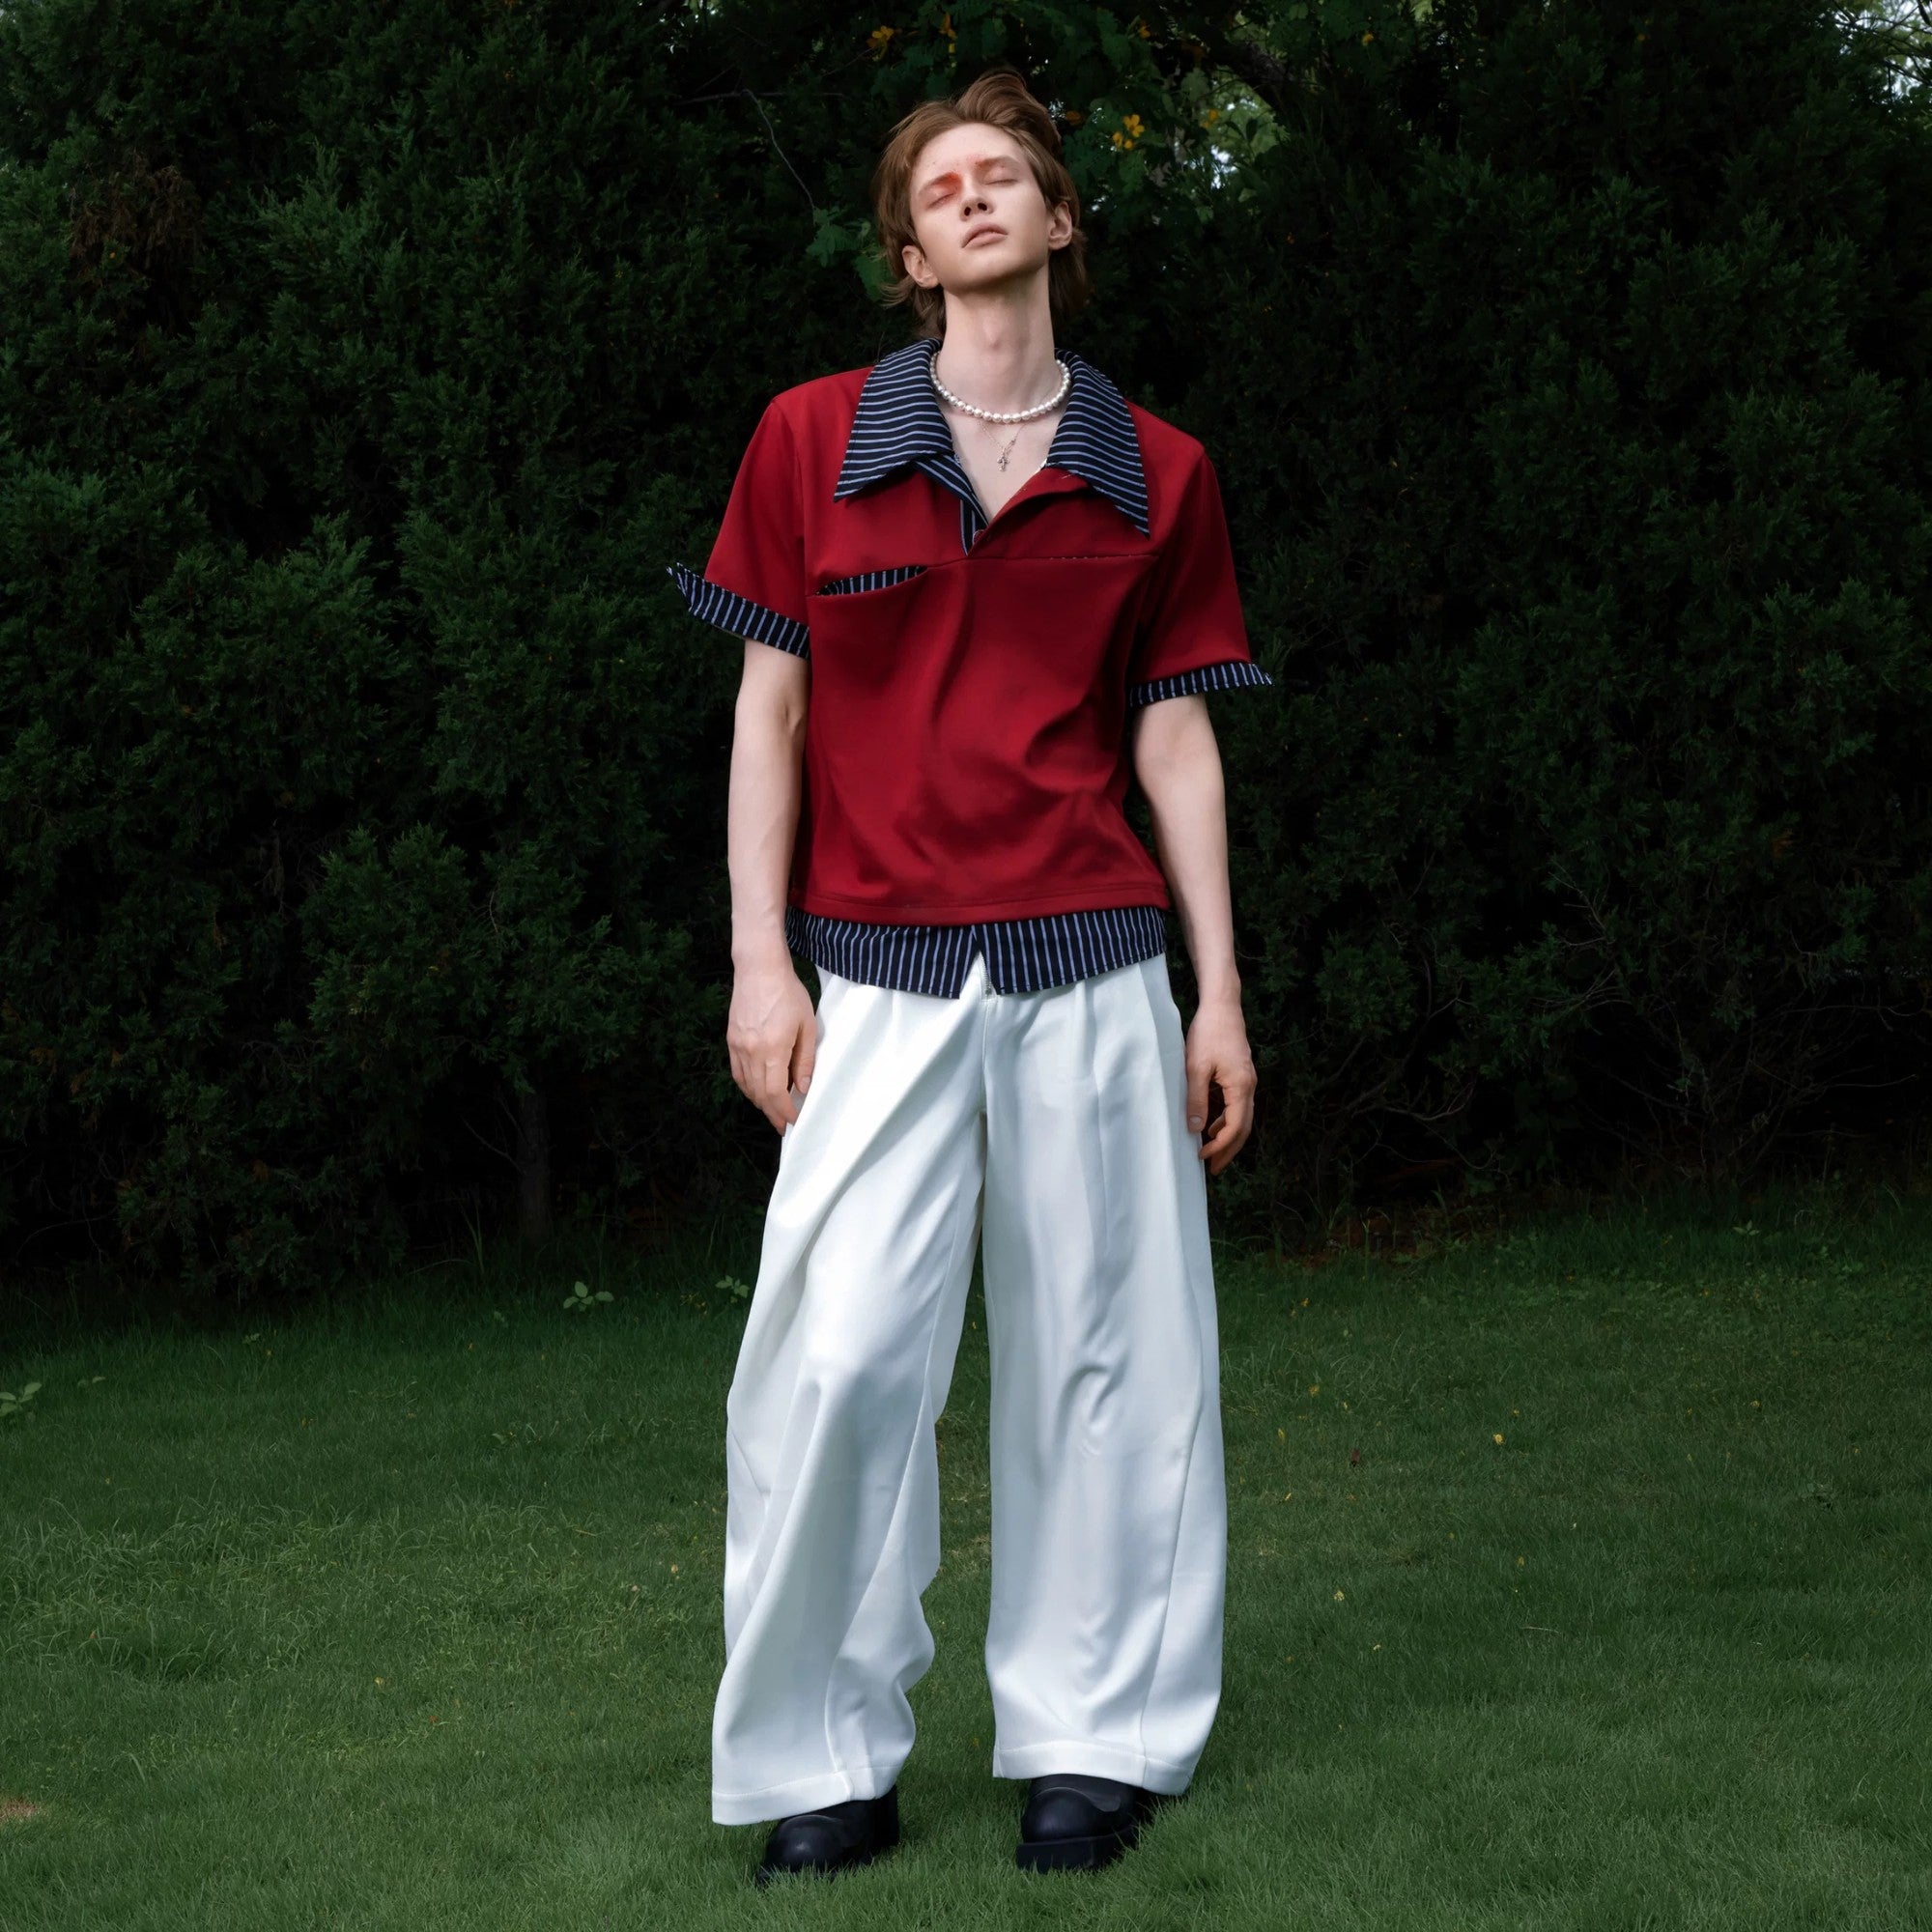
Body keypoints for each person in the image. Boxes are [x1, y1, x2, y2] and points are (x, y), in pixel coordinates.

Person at [666, 64, 1271, 1885]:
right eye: (944, 186)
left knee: (1110, 1358)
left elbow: (1177, 739)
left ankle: (1096, 1744)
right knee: (834, 1360)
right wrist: (760, 963)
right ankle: (818, 1759)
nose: (980, 199)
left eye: (1010, 176)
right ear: (908, 249)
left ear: (1063, 223)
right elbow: (770, 712)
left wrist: (1217, 995)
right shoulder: (808, 442)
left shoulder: (1158, 472)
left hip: (1095, 960)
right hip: (873, 974)